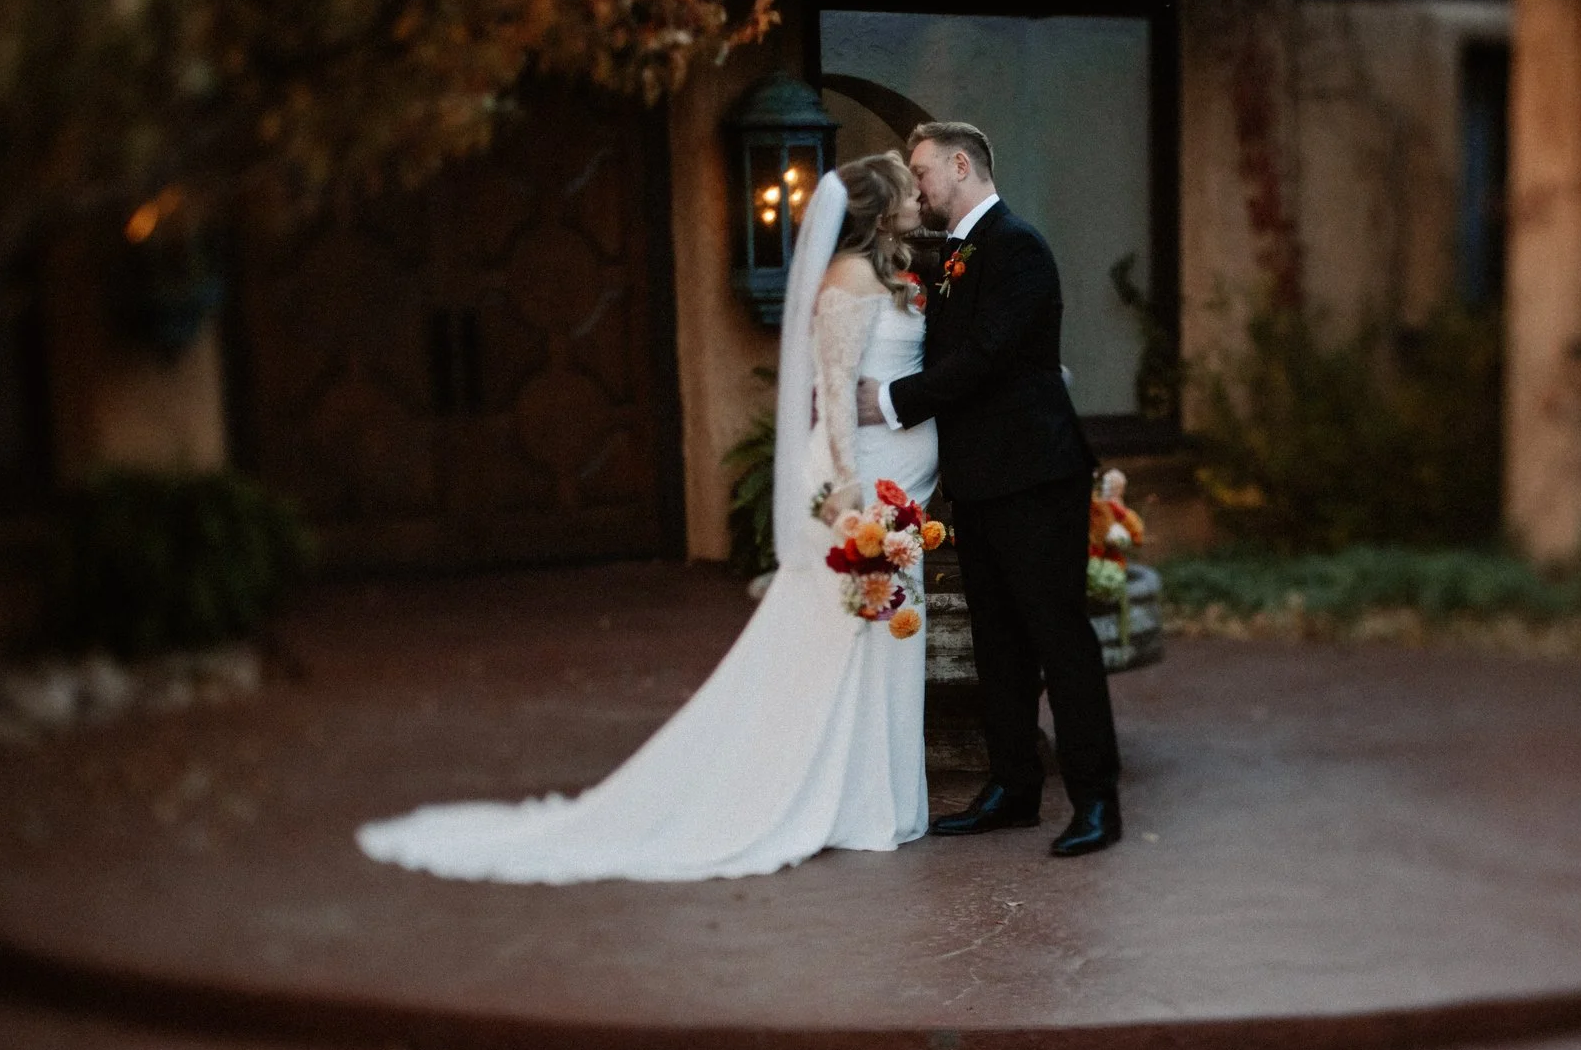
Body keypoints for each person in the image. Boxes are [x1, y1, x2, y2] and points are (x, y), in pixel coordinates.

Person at [354, 155, 936, 882]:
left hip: (895, 485)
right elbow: (834, 387)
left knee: (880, 636)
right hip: (858, 489)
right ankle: (839, 800)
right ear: (879, 209)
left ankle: (872, 796)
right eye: (908, 189)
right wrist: (848, 490)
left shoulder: (888, 273)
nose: (920, 195)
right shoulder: (849, 280)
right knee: (845, 636)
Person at [859, 121, 1123, 858]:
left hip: (1037, 474)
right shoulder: (950, 256)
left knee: (1058, 637)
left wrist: (887, 402)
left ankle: (1097, 800)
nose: (917, 187)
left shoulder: (1020, 247)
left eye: (922, 172)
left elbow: (984, 358)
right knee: (998, 643)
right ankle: (1013, 787)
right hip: (978, 478)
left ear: (960, 163)